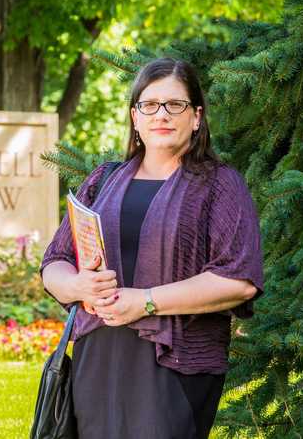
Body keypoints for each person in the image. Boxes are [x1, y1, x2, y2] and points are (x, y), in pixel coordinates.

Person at [39, 57, 265, 439]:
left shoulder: (220, 185)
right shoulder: (103, 180)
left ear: (196, 117)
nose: (161, 114)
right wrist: (77, 286)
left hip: (174, 364)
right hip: (100, 357)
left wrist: (144, 300)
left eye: (174, 105)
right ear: (135, 116)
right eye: (149, 104)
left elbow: (239, 280)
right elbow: (54, 263)